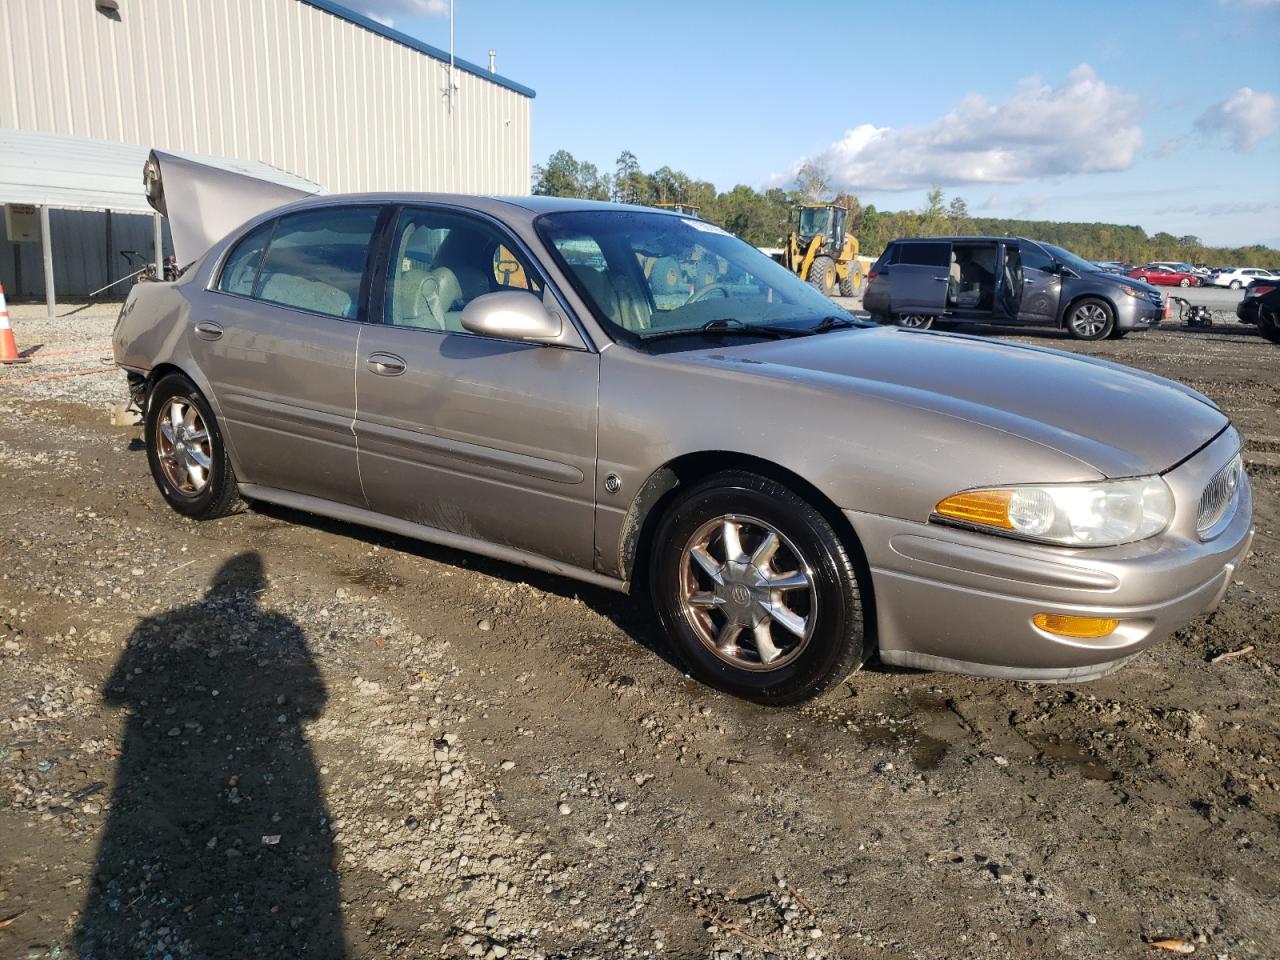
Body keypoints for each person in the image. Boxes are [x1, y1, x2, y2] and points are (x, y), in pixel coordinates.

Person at [75, 553, 346, 959]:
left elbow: (114, 695)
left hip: (167, 760)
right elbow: (315, 701)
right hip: (262, 757)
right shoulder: (280, 628)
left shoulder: (154, 627)